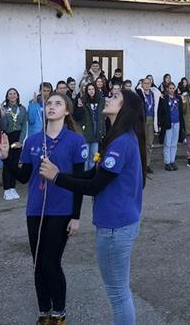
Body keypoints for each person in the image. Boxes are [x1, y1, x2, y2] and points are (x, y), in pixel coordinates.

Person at [41, 89, 147, 325]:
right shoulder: (118, 137)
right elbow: (92, 174)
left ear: (125, 108)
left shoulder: (120, 142)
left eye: (115, 96)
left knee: (118, 293)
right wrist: (62, 174)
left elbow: (96, 185)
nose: (108, 97)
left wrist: (57, 177)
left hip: (115, 226)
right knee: (120, 289)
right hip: (121, 223)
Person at [0, 93, 85, 325]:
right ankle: (43, 312)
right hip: (35, 209)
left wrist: (76, 216)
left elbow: (79, 182)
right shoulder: (33, 141)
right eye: (48, 104)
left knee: (51, 262)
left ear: (66, 111)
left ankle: (59, 313)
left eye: (58, 103)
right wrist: (7, 159)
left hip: (62, 209)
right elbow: (24, 177)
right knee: (38, 264)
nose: (52, 107)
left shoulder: (76, 141)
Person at [0, 87, 28, 200]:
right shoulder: (4, 109)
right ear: (7, 96)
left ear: (17, 96)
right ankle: (6, 189)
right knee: (7, 164)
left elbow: (24, 126)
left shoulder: (22, 109)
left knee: (15, 163)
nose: (12, 96)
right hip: (7, 137)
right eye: (10, 94)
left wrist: (20, 141)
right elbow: (4, 126)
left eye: (14, 94)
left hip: (18, 137)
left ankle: (13, 187)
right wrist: (2, 116)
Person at [74, 83, 105, 171]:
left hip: (97, 132)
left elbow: (103, 117)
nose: (91, 91)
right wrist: (79, 107)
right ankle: (85, 175)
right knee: (85, 157)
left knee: (94, 157)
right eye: (89, 89)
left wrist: (103, 132)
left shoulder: (101, 100)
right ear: (86, 91)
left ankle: (92, 174)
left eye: (92, 89)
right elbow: (77, 116)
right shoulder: (82, 100)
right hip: (86, 132)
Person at [157, 82, 182, 171]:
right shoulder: (163, 98)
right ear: (167, 89)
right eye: (170, 88)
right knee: (168, 143)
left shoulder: (178, 98)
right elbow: (160, 112)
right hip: (168, 123)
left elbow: (181, 110)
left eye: (173, 88)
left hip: (177, 122)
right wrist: (160, 124)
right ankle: (167, 162)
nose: (171, 90)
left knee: (174, 143)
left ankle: (172, 161)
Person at [137, 77, 159, 174]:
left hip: (151, 119)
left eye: (148, 83)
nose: (146, 85)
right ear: (142, 84)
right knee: (141, 143)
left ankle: (147, 164)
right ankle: (140, 165)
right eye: (145, 83)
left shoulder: (154, 94)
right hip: (143, 120)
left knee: (149, 144)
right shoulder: (139, 94)